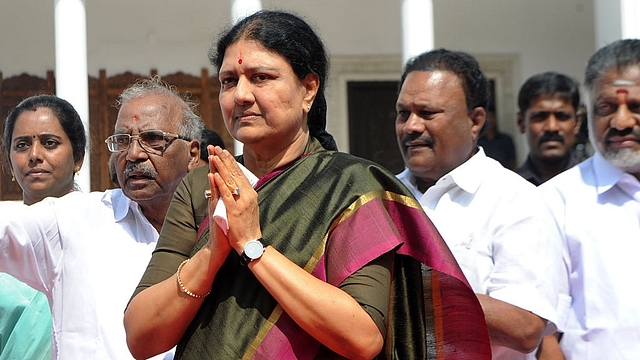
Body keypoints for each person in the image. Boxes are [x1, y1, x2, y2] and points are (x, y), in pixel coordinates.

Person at [124, 10, 491, 360]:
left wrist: (253, 246)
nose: (241, 95)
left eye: (262, 77)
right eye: (229, 81)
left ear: (308, 89)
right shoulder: (202, 186)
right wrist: (213, 252)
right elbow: (141, 337)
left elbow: (362, 338)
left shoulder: (351, 187)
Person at [0, 76, 203, 359]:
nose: (133, 154)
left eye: (153, 139)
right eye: (122, 141)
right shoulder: (75, 219)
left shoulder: (222, 225)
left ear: (193, 154)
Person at [394, 48, 567, 359]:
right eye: (403, 113)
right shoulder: (380, 195)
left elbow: (525, 328)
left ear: (475, 121)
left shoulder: (515, 199)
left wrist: (408, 286)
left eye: (428, 113)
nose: (411, 127)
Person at [540, 38, 640, 359]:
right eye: (606, 108)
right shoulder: (555, 201)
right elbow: (544, 334)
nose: (621, 122)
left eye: (636, 106)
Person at [0, 94, 86, 360]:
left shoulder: (104, 231)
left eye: (49, 143)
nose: (34, 156)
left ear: (78, 157)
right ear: (10, 161)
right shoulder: (5, 240)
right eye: (22, 145)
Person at [516, 72, 582, 185]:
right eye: (540, 117)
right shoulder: (507, 191)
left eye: (562, 116)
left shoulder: (598, 186)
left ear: (577, 123)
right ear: (521, 123)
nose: (552, 127)